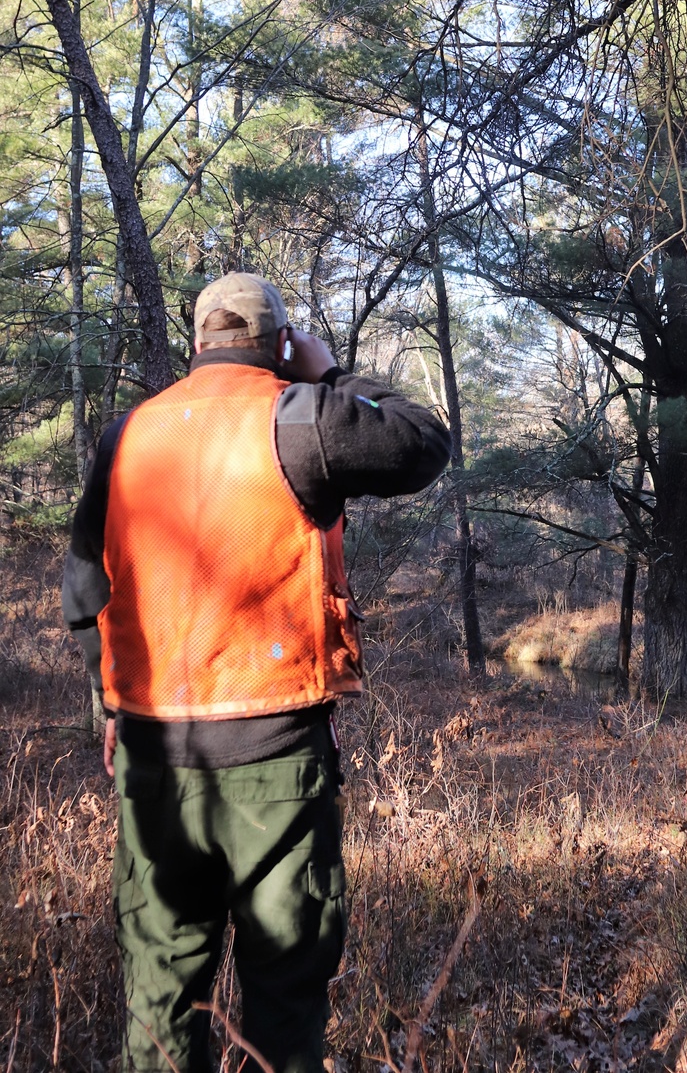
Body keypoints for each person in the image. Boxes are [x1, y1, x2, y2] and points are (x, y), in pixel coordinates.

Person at [62, 273, 451, 1073]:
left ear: (198, 342)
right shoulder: (300, 416)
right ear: (278, 344)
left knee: (161, 1005)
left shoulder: (125, 435)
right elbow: (423, 440)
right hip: (276, 766)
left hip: (152, 766)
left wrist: (112, 706)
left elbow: (85, 589)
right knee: (283, 1005)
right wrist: (332, 370)